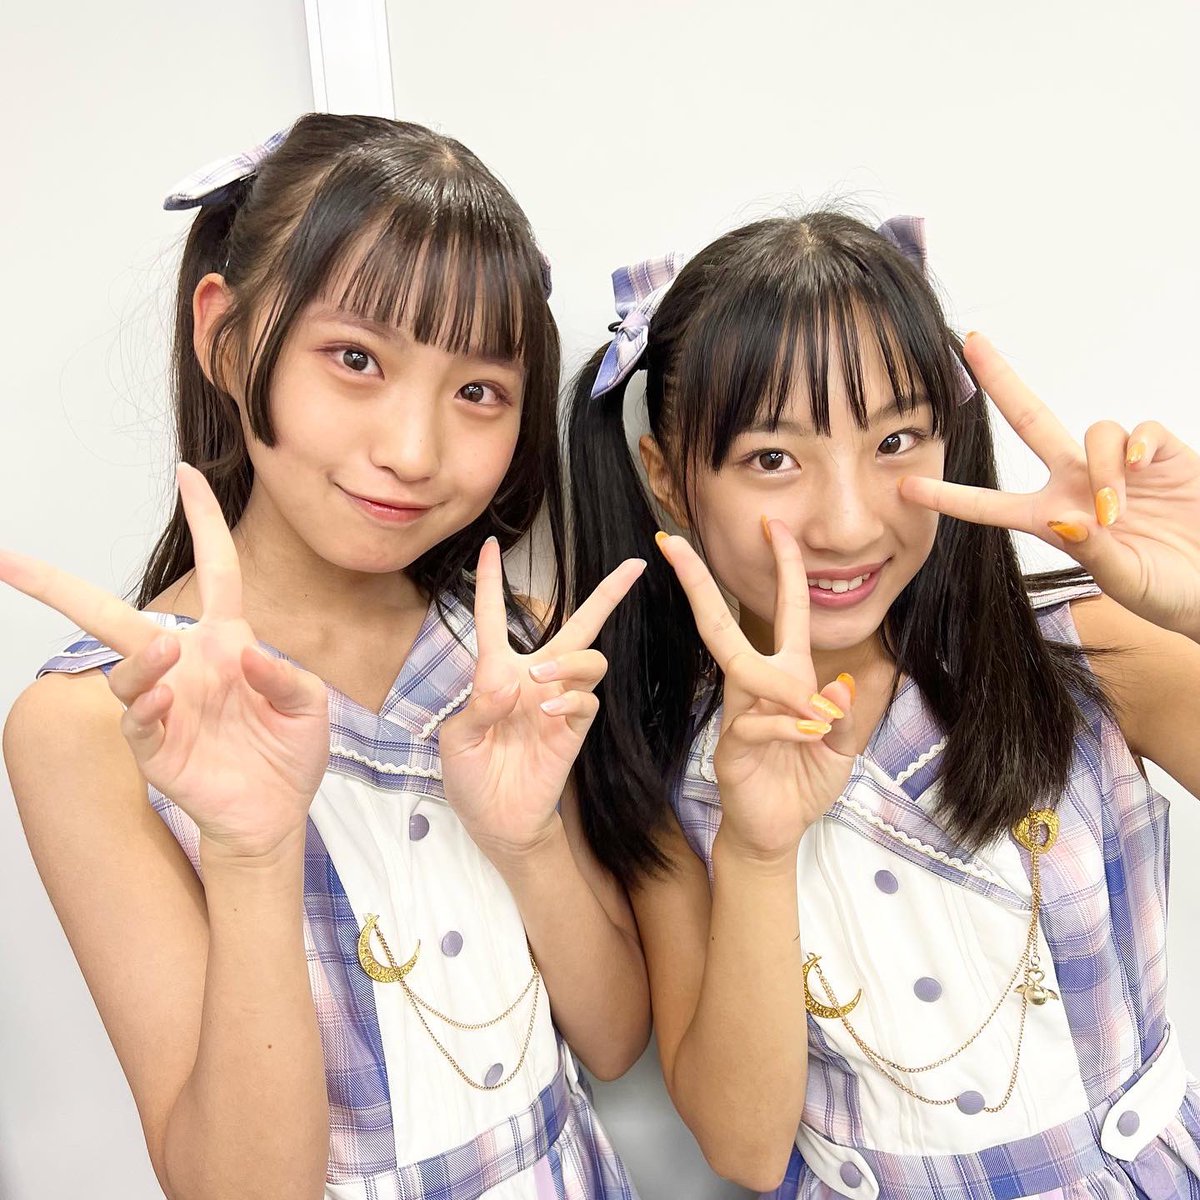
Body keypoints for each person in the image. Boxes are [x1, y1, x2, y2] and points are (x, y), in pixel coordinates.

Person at [3, 113, 648, 1200]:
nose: (413, 450)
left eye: (478, 391)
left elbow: (617, 1039)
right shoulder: (91, 724)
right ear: (225, 338)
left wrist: (527, 839)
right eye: (355, 359)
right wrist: (252, 852)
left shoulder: (512, 644)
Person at [567, 210, 1200, 1198]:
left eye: (896, 440)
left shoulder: (1084, 653)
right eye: (772, 458)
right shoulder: (667, 767)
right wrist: (758, 851)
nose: (848, 521)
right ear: (668, 478)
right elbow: (744, 1148)